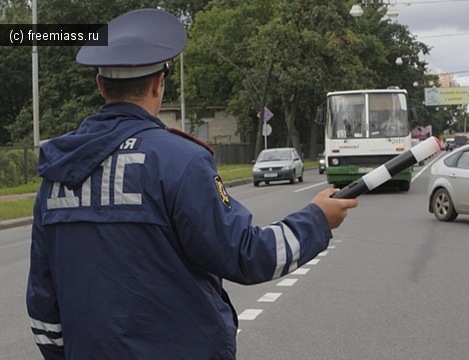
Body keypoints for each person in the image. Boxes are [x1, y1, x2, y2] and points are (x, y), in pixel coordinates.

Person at [26, 8, 358, 360]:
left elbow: (43, 301)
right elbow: (246, 255)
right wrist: (317, 219)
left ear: (100, 84)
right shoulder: (179, 161)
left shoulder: (59, 170)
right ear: (158, 84)